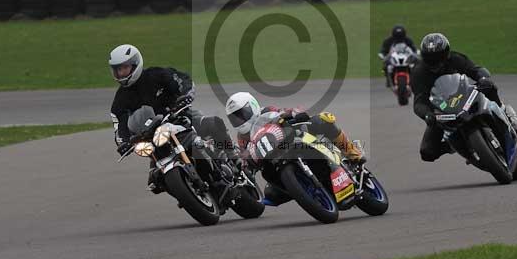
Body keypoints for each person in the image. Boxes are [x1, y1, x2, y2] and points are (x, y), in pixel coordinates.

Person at [108, 44, 239, 193]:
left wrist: (184, 96)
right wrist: (124, 142)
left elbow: (183, 81)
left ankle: (233, 155)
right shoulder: (119, 101)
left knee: (213, 123)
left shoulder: (156, 74)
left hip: (179, 115)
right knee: (155, 181)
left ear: (135, 64)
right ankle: (185, 190)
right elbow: (119, 128)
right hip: (153, 136)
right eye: (118, 69)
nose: (121, 73)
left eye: (124, 68)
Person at [224, 91, 367, 206]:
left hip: (295, 140)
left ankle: (353, 153)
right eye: (235, 118)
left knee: (323, 119)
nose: (240, 120)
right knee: (270, 195)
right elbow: (245, 157)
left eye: (242, 114)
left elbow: (288, 111)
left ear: (253, 106)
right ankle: (304, 189)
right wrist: (245, 163)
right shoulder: (242, 136)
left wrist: (294, 114)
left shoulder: (267, 111)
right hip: (275, 161)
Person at [411, 33, 517, 163]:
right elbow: (419, 102)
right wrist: (427, 115)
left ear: (446, 53)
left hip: (465, 96)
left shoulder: (455, 59)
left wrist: (482, 78)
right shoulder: (418, 73)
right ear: (424, 58)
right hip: (441, 111)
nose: (436, 63)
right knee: (427, 152)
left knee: (490, 87)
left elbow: (474, 69)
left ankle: (507, 115)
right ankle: (456, 146)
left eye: (439, 57)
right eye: (430, 59)